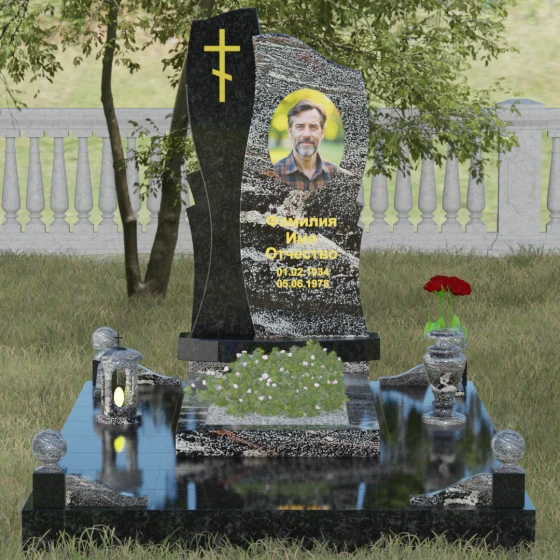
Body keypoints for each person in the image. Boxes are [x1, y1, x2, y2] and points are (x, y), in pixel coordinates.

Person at [273, 99, 351, 191]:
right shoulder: (272, 175)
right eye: (300, 127)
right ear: (290, 132)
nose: (307, 134)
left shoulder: (342, 179)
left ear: (322, 133)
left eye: (313, 127)